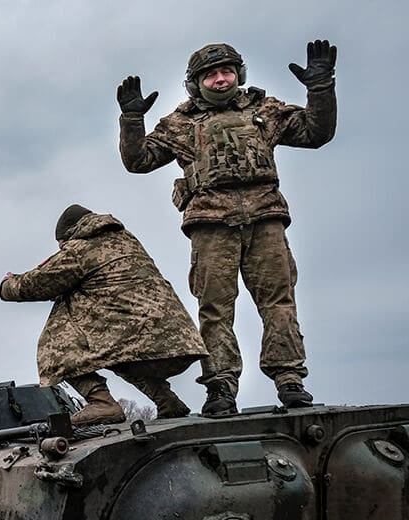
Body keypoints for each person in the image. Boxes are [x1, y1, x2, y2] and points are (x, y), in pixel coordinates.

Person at [117, 40, 337, 415]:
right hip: (210, 225)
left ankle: (289, 380)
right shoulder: (179, 123)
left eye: (227, 72)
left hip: (265, 219)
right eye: (211, 75)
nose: (221, 79)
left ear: (239, 74)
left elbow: (316, 133)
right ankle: (221, 387)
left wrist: (320, 88)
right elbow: (138, 160)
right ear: (196, 82)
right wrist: (132, 120)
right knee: (215, 309)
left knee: (278, 302)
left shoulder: (265, 110)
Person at [0, 205, 207, 425]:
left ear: (69, 234)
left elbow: (35, 284)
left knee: (57, 345)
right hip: (179, 344)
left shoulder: (80, 249)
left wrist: (7, 284)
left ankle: (102, 403)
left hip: (140, 340)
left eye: (61, 243)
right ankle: (167, 401)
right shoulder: (128, 241)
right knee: (115, 351)